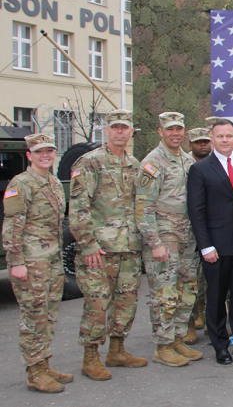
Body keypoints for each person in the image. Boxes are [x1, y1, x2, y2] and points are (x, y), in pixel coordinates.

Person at [70, 109, 148, 381]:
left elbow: (141, 205)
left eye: (124, 128)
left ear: (130, 132)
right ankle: (90, 357)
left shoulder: (135, 164)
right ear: (107, 131)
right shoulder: (90, 162)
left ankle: (117, 350)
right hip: (100, 250)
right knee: (97, 303)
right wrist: (88, 244)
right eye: (114, 127)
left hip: (128, 246)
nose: (119, 132)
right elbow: (79, 206)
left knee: (126, 301)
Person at [3, 133, 74, 393]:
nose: (45, 155)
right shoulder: (20, 184)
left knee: (49, 316)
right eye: (39, 151)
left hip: (51, 262)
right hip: (31, 263)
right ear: (29, 155)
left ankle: (44, 364)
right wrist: (16, 262)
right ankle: (34, 372)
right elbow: (12, 226)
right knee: (34, 318)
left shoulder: (54, 182)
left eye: (49, 151)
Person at [187, 118, 233, 365]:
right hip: (216, 246)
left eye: (229, 136)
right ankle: (220, 345)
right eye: (220, 136)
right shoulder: (200, 169)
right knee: (217, 298)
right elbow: (196, 211)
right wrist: (205, 245)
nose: (225, 140)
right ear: (212, 138)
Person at [135, 112, 202, 367]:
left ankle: (177, 339)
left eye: (179, 129)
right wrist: (155, 243)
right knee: (164, 293)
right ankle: (162, 346)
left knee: (187, 291)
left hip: (186, 237)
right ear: (160, 131)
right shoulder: (153, 163)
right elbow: (143, 207)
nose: (175, 133)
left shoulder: (186, 160)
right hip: (164, 237)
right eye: (170, 129)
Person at [185, 127, 212, 346]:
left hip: (211, 232)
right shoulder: (184, 164)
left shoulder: (216, 163)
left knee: (210, 281)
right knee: (190, 281)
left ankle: (212, 319)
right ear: (190, 144)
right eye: (197, 142)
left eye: (205, 141)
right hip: (184, 233)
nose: (202, 145)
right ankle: (190, 323)